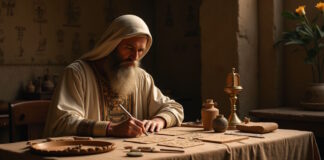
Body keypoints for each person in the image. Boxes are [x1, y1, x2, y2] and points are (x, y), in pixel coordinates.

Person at [43, 15, 184, 138]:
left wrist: (159, 120)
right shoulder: (77, 74)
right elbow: (62, 123)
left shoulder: (141, 78)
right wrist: (111, 128)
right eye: (129, 48)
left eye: (140, 50)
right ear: (111, 45)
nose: (135, 57)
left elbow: (174, 108)